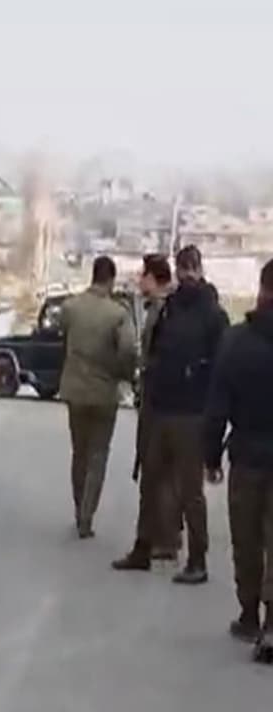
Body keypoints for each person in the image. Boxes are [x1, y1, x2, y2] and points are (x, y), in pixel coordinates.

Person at [140, 245, 229, 585]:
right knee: (151, 479)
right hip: (164, 406)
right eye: (183, 269)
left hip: (192, 412)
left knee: (190, 491)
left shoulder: (212, 314)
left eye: (190, 269)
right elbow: (155, 352)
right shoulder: (172, 309)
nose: (186, 275)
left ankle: (197, 559)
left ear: (198, 270)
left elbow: (221, 368)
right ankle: (145, 546)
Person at [204, 258, 273, 661]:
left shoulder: (235, 341)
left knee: (246, 539)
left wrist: (211, 456)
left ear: (261, 289)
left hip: (246, 455)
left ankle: (249, 613)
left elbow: (217, 406)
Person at [58, 255, 137, 538]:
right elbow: (128, 349)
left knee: (79, 452)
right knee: (98, 454)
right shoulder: (118, 313)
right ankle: (87, 516)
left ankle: (79, 505)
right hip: (104, 393)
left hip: (74, 390)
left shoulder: (70, 307)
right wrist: (124, 373)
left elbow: (62, 337)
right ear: (111, 279)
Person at [113, 253, 179, 569]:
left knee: (154, 472)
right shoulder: (164, 309)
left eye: (144, 276)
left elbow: (158, 356)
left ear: (155, 278)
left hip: (158, 403)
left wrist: (145, 374)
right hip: (163, 402)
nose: (140, 281)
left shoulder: (164, 312)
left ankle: (152, 542)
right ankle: (163, 539)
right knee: (161, 474)